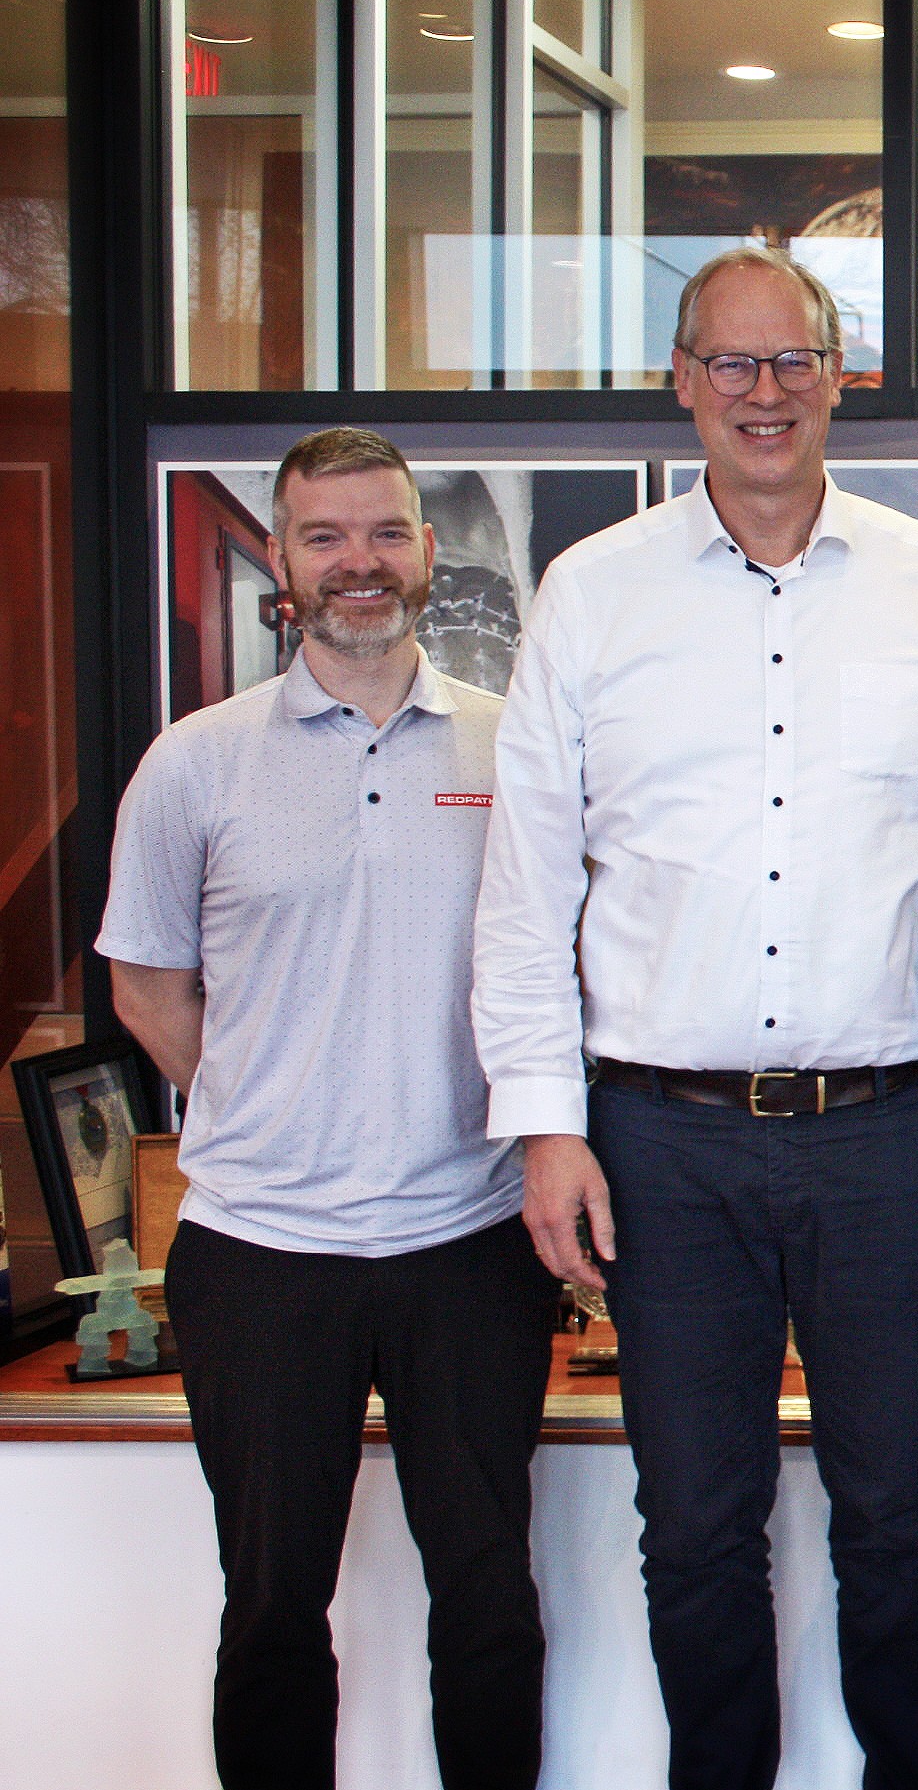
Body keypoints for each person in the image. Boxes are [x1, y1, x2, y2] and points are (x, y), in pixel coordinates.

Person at [474, 247, 918, 1790]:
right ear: (683, 381)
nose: (763, 394)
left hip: (892, 1129)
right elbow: (525, 889)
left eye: (792, 363)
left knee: (900, 1507)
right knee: (696, 1521)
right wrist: (547, 1130)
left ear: (837, 376)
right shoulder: (593, 595)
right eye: (733, 363)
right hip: (662, 1141)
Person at [100, 426, 558, 1789]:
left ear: (425, 550)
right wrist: (282, 1106)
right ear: (287, 566)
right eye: (326, 536)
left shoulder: (509, 747)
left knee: (489, 1603)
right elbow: (148, 989)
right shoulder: (196, 764)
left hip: (469, 1249)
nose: (360, 562)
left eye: (385, 533)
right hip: (261, 1258)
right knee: (272, 1606)